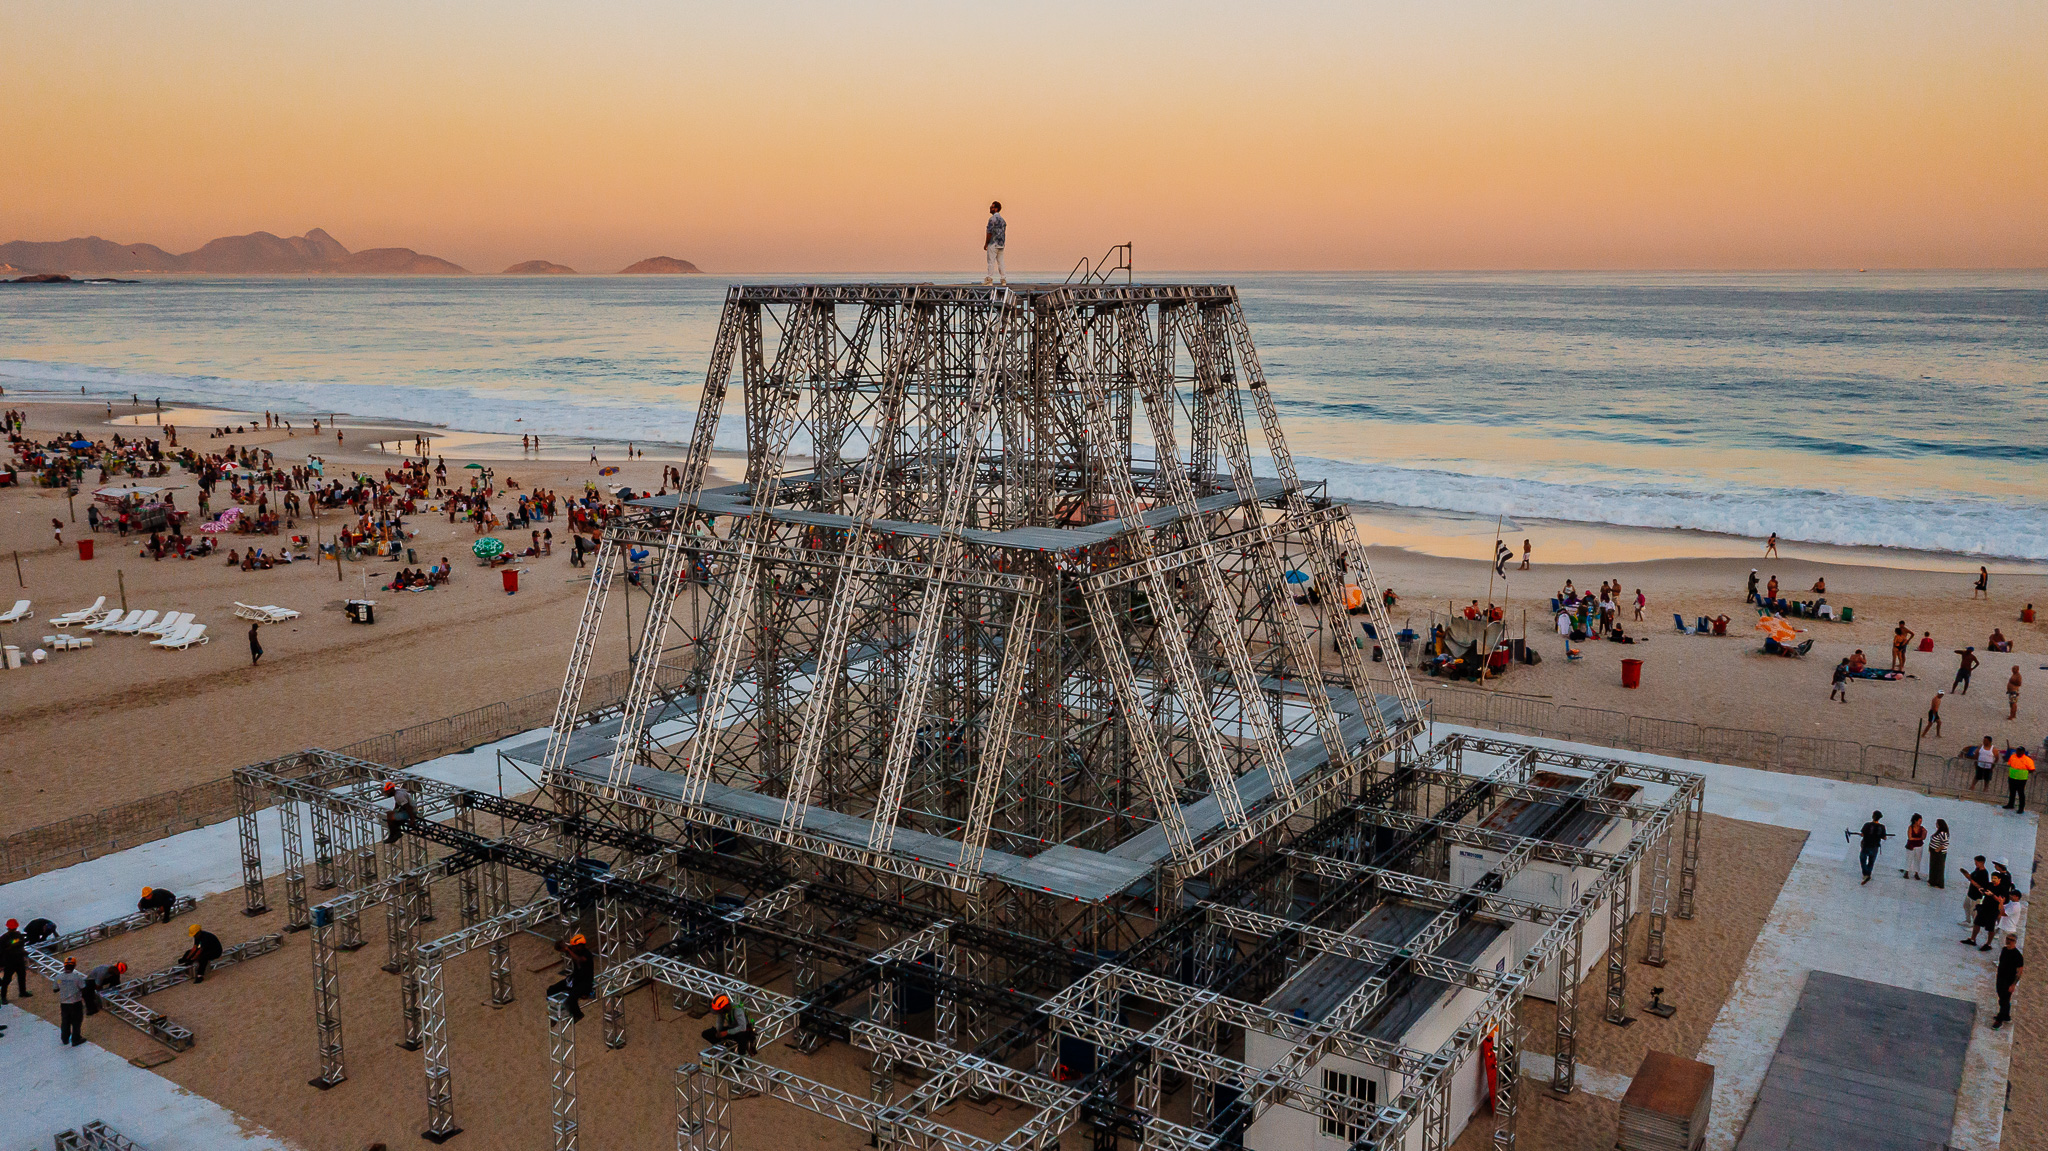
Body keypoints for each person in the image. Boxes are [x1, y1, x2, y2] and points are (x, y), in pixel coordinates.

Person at [547, 933, 594, 1021]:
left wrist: (568, 950)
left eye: (576, 946)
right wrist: (561, 948)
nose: (574, 948)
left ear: (581, 946)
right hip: (575, 979)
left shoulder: (587, 954)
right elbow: (566, 951)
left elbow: (579, 960)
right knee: (551, 990)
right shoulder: (575, 951)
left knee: (571, 999)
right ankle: (555, 1013)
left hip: (585, 983)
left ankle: (578, 1014)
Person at [56, 956, 89, 1046]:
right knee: (76, 1021)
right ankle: (76, 1039)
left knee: (65, 1021)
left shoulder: (59, 977)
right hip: (75, 1002)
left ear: (64, 966)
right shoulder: (77, 978)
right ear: (74, 966)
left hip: (64, 1003)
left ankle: (65, 1038)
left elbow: (55, 988)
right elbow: (83, 988)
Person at [1993, 933, 2024, 1030]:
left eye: (2011, 940)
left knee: (2004, 1000)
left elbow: (2019, 972)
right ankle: (2006, 1016)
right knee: (2002, 997)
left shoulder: (2018, 956)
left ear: (2015, 942)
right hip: (2000, 978)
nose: (2009, 941)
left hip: (2009, 981)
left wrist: (2013, 984)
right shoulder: (2004, 950)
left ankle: (1999, 1019)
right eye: (2008, 939)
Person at [0, 919, 29, 1002]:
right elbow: (1, 952)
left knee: (22, 976)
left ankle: (22, 992)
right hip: (9, 962)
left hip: (19, 960)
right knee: (6, 980)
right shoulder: (4, 938)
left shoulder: (18, 935)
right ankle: (3, 997)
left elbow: (21, 945)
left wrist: (23, 952)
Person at [1856, 811, 1887, 884]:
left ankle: (1865, 873)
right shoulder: (1882, 827)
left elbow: (1862, 834)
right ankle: (1868, 874)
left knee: (1862, 859)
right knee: (1871, 861)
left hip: (1866, 845)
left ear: (1873, 816)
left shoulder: (1867, 825)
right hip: (1875, 847)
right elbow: (1884, 837)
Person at [1963, 856, 1992, 928]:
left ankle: (1974, 925)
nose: (1975, 864)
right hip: (1970, 893)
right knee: (1966, 905)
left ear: (1982, 862)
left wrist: (1970, 880)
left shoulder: (1984, 874)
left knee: (1974, 910)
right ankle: (1968, 920)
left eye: (1977, 862)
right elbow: (1971, 877)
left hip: (1976, 895)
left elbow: (1981, 887)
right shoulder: (1977, 870)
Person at [2005, 745, 2035, 814]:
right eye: (2017, 750)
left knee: (2021, 793)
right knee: (2012, 792)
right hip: (2012, 777)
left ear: (2023, 752)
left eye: (2020, 751)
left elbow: (2032, 769)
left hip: (2021, 779)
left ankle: (2021, 808)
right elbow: (2010, 764)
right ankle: (2010, 804)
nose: (2018, 752)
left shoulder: (2027, 760)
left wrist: (2023, 773)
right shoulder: (2013, 757)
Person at [983, 201, 1007, 286]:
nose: (990, 208)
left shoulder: (992, 219)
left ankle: (989, 279)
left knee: (991, 262)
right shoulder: (1003, 220)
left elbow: (989, 232)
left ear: (996, 208)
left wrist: (986, 243)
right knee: (1001, 262)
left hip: (993, 243)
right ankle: (1003, 279)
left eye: (992, 207)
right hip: (1001, 243)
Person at [1901, 814, 1926, 880]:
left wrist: (1925, 832)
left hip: (1919, 846)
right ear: (1915, 821)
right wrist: (1919, 838)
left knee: (1918, 860)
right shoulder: (1910, 827)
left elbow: (1923, 837)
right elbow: (1910, 838)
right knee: (1909, 859)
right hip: (1911, 846)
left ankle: (1916, 873)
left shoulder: (1922, 828)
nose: (1920, 823)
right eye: (1919, 821)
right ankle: (1906, 872)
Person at [1927, 819, 1949, 888]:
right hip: (1934, 852)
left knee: (1939, 868)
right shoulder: (1938, 832)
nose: (1935, 824)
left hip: (1939, 854)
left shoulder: (1943, 833)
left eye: (1937, 823)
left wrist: (1938, 849)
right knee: (1933, 867)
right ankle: (1932, 881)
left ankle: (1938, 883)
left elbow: (1945, 843)